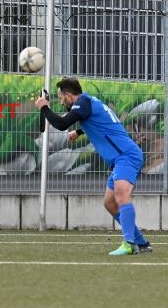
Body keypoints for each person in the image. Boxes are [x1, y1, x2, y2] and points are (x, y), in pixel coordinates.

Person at [35, 77, 152, 255]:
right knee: (110, 203)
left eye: (60, 97)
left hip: (125, 155)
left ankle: (129, 242)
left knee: (122, 197)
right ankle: (141, 243)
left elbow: (61, 124)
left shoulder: (83, 102)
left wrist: (44, 107)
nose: (60, 101)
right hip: (120, 158)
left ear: (68, 95)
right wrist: (80, 131)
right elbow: (103, 122)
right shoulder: (89, 102)